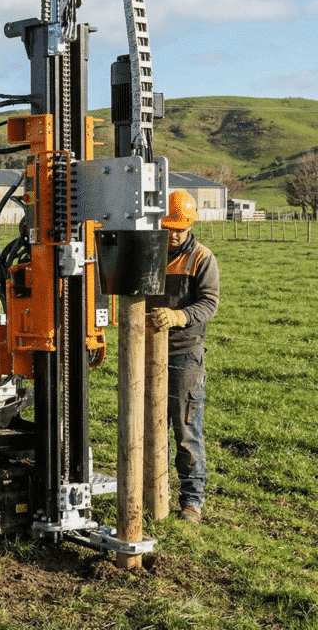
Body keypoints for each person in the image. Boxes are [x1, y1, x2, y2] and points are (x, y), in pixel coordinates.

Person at [148, 190, 220, 524]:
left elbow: (209, 303)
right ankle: (151, 490)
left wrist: (178, 317)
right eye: (168, 227)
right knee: (148, 427)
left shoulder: (201, 258)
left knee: (186, 430)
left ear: (190, 224)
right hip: (147, 354)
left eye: (179, 227)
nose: (173, 233)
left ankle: (192, 502)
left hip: (184, 355)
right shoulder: (150, 252)